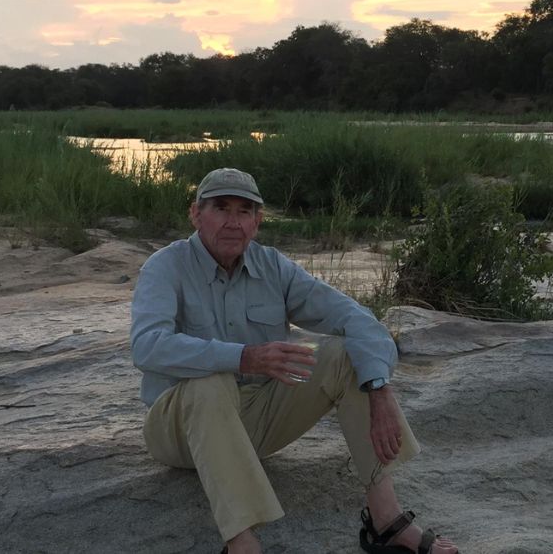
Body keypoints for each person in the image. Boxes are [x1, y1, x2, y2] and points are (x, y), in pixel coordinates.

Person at [130, 168, 458, 554]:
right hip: (181, 431)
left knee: (344, 355)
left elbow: (354, 318)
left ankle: (386, 519)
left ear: (258, 221)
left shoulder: (273, 267)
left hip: (257, 424)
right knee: (209, 381)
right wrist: (244, 357)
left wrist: (380, 388)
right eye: (221, 208)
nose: (233, 223)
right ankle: (242, 542)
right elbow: (147, 345)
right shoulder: (165, 267)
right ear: (195, 214)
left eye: (244, 211)